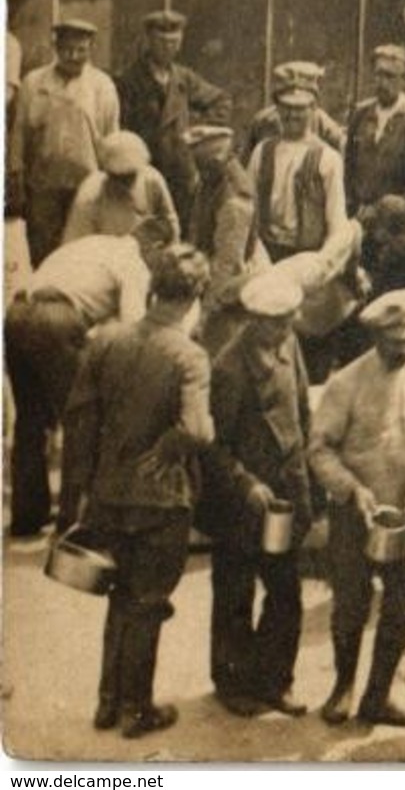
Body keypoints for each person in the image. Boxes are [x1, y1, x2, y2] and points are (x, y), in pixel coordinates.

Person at [60, 243, 213, 738]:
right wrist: (169, 446)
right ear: (195, 296)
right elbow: (199, 430)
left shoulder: (106, 339)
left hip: (108, 493)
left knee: (118, 596)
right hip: (160, 500)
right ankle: (137, 708)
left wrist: (80, 491)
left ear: (152, 288)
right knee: (147, 601)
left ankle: (108, 702)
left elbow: (80, 419)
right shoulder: (188, 355)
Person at [308, 288, 405, 727]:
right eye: (396, 343)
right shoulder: (347, 383)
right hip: (353, 516)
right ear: (377, 337)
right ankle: (342, 687)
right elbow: (319, 450)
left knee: (402, 607)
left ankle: (377, 696)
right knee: (350, 607)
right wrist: (350, 489)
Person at [4, 217, 174, 538]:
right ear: (155, 247)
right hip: (55, 319)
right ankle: (74, 522)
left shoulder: (96, 244)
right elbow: (134, 332)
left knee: (30, 419)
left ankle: (27, 515)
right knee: (81, 422)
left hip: (15, 315)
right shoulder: (134, 262)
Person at [196, 272, 311, 718]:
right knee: (235, 595)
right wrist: (245, 483)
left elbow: (301, 410)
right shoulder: (228, 368)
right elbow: (213, 445)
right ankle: (233, 682)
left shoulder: (290, 346)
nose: (281, 330)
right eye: (272, 323)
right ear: (252, 320)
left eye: (286, 321)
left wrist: (305, 484)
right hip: (241, 505)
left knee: (286, 594)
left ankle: (274, 681)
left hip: (285, 495)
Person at [8, 19, 120, 260]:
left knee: (81, 254)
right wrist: (15, 174)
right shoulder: (34, 82)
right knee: (42, 252)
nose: (73, 56)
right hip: (43, 186)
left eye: (81, 50)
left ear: (91, 49)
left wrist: (112, 181)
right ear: (56, 48)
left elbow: (112, 137)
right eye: (67, 50)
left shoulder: (102, 86)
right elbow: (19, 131)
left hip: (87, 188)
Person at [114, 10, 230, 234]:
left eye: (174, 42)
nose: (169, 48)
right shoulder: (129, 80)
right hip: (146, 170)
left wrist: (199, 130)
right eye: (162, 42)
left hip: (181, 172)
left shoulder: (184, 78)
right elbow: (121, 127)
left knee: (182, 232)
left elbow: (221, 100)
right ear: (148, 41)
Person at [245, 80, 348, 264]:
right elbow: (248, 208)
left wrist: (322, 262)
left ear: (313, 108)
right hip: (265, 252)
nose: (292, 115)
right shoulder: (262, 151)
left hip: (307, 255)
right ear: (277, 109)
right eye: (286, 107)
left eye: (300, 108)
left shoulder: (328, 157)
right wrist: (256, 253)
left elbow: (337, 221)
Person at [185, 125, 263, 344]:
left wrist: (204, 315)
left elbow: (227, 263)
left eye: (204, 166)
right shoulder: (211, 181)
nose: (200, 171)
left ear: (219, 161)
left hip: (230, 288)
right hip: (209, 270)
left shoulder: (235, 200)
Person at [345, 45, 405, 217]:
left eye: (389, 76)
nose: (382, 82)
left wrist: (401, 204)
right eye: (378, 74)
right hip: (359, 215)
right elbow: (348, 165)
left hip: (396, 224)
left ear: (404, 80)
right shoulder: (361, 114)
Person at [62, 131, 180, 245]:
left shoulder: (152, 180)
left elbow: (169, 221)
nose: (126, 183)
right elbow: (75, 244)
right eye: (119, 177)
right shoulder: (90, 195)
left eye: (131, 175)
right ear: (107, 173)